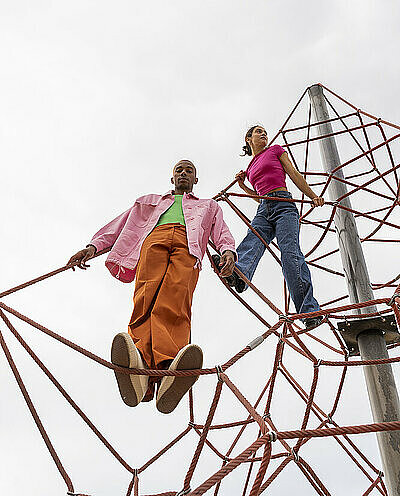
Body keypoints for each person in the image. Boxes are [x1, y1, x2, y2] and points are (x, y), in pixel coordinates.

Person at [67, 160, 236, 413]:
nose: (183, 174)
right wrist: (93, 247)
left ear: (195, 180)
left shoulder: (208, 206)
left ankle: (168, 366)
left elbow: (220, 231)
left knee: (175, 297)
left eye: (189, 171)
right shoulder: (150, 201)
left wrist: (227, 251)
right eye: (179, 170)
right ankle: (140, 367)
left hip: (188, 246)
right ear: (172, 178)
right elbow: (120, 225)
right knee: (146, 296)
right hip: (154, 239)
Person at [224, 126, 324, 329]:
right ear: (248, 138)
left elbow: (293, 173)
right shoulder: (250, 166)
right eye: (258, 132)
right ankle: (240, 275)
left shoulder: (276, 150)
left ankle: (309, 311)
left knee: (290, 255)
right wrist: (243, 186)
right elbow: (259, 196)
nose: (264, 134)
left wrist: (312, 195)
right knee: (252, 240)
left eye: (265, 132)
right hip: (264, 208)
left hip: (284, 204)